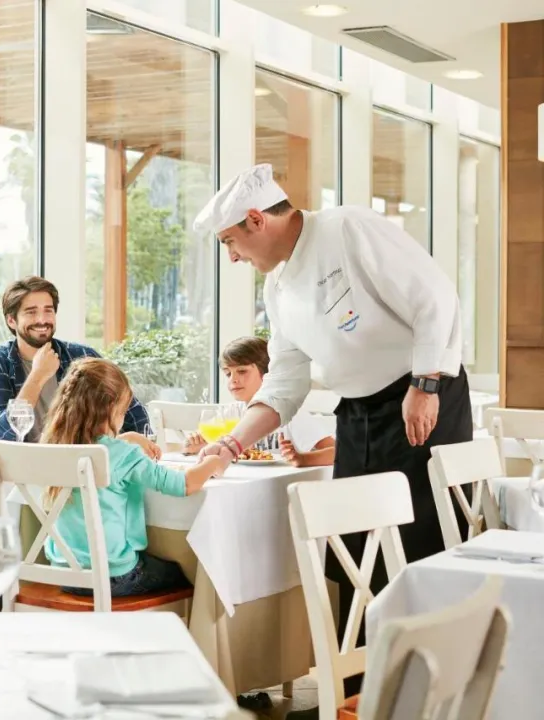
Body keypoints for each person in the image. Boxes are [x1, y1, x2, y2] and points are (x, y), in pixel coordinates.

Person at [193, 164, 472, 705]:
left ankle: (426, 695)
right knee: (352, 551)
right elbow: (284, 384)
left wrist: (425, 383)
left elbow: (435, 298)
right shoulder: (278, 288)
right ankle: (357, 696)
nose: (232, 258)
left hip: (422, 398)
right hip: (358, 414)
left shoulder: (347, 228)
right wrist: (228, 446)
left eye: (230, 242)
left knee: (416, 548)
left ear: (257, 220)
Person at [41, 358, 227, 596]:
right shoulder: (124, 455)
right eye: (122, 411)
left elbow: (99, 451)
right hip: (115, 577)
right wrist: (214, 462)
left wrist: (127, 437)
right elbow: (184, 484)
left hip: (65, 574)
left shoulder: (54, 448)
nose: (122, 418)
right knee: (190, 573)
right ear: (109, 408)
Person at [0, 276, 156, 456]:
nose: (42, 319)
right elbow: (1, 436)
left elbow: (135, 415)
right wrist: (37, 376)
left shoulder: (82, 355)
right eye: (31, 312)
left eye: (48, 310)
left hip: (81, 465)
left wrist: (128, 446)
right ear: (11, 320)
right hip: (24, 468)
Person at [185, 336, 335, 467]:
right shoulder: (230, 413)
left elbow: (336, 452)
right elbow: (206, 445)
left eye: (242, 371)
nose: (233, 380)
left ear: (268, 374)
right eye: (228, 374)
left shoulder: (289, 413)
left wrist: (302, 459)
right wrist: (196, 446)